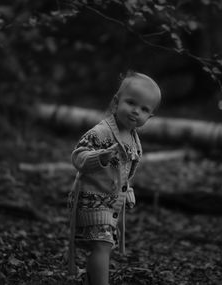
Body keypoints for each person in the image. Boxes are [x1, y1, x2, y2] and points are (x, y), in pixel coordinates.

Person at [67, 71, 161, 285]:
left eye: (144, 109)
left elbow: (124, 173)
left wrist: (127, 191)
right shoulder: (101, 132)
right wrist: (99, 157)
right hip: (91, 199)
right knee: (102, 245)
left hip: (110, 203)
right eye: (131, 103)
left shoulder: (134, 140)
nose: (136, 111)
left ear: (150, 117)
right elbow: (78, 157)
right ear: (116, 101)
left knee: (103, 246)